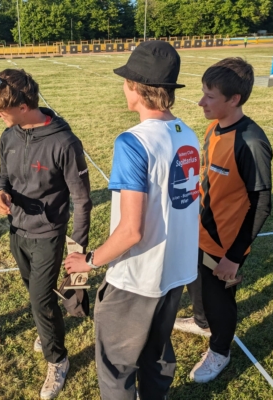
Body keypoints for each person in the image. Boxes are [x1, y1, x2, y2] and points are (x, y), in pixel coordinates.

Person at [65, 41, 200, 400]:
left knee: (116, 367)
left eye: (125, 82)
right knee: (157, 355)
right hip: (176, 271)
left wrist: (89, 260)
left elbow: (131, 231)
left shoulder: (132, 142)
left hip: (137, 278)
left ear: (135, 88)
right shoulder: (188, 133)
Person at [0, 69, 92, 399]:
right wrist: (0, 193)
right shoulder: (8, 136)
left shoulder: (64, 143)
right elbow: (3, 176)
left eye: (0, 109)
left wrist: (77, 249)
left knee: (40, 300)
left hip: (49, 234)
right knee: (36, 294)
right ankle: (48, 328)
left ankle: (58, 359)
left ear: (24, 106)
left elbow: (82, 201)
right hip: (17, 231)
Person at [173, 57, 273, 383]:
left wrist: (233, 256)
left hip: (226, 244)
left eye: (209, 96)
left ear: (234, 99)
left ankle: (220, 350)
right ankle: (202, 322)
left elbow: (261, 204)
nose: (200, 102)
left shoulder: (251, 142)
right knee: (197, 285)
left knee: (220, 300)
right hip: (200, 231)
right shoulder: (214, 126)